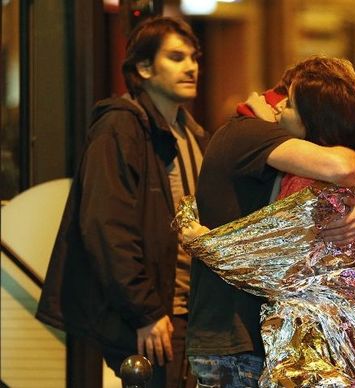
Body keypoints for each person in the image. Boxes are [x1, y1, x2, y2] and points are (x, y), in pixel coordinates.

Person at [185, 57, 355, 387]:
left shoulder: (299, 169)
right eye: (285, 99)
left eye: (289, 104)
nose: (277, 110)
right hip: (235, 340)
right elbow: (346, 165)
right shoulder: (248, 131)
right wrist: (206, 243)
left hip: (260, 340)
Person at [36, 17, 206, 388]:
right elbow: (105, 226)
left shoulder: (189, 133)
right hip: (153, 314)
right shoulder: (121, 127)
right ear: (144, 67)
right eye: (176, 57)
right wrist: (145, 310)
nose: (191, 66)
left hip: (186, 310)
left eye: (194, 57)